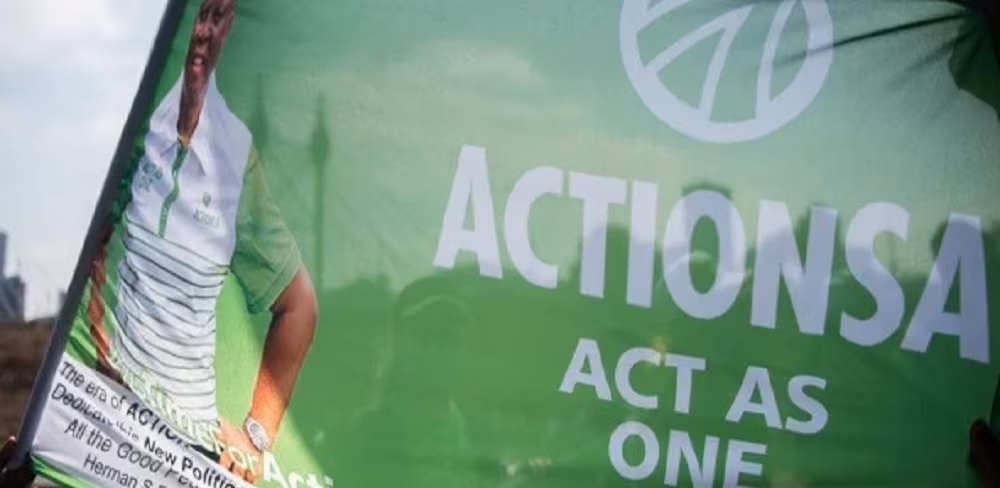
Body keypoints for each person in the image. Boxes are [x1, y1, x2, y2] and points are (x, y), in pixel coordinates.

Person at [84, 0, 318, 483]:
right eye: (197, 14)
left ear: (229, 27)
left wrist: (255, 438)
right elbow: (91, 253)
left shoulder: (234, 153)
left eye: (215, 16)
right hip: (99, 427)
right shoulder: (137, 119)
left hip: (186, 452)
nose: (202, 31)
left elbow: (299, 307)